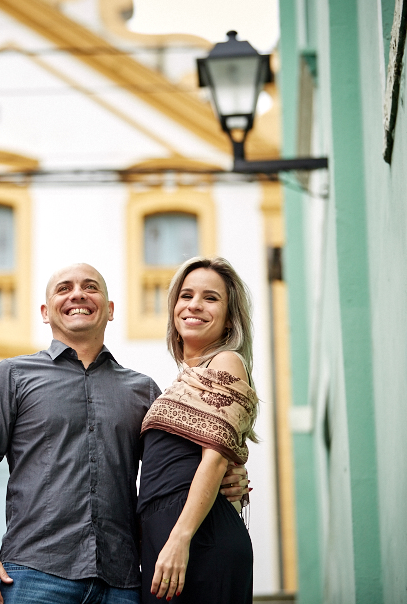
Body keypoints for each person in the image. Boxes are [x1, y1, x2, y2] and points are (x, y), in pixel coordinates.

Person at [0, 263, 250, 604]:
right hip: (34, 574)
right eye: (63, 288)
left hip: (121, 584)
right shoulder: (11, 375)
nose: (78, 294)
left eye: (91, 287)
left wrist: (230, 475)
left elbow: (174, 463)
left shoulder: (144, 391)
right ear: (45, 311)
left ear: (110, 310)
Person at [138, 256, 259, 603]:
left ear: (229, 318)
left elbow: (215, 459)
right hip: (171, 540)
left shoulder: (226, 361)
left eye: (210, 298)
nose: (194, 305)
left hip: (196, 540)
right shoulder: (181, 382)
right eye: (186, 295)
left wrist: (180, 539)